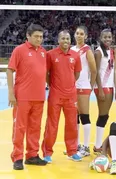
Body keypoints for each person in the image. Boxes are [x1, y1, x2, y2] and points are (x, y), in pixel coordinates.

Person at [7, 24, 48, 170]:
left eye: (41, 37)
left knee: (35, 127)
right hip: (22, 97)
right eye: (36, 36)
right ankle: (17, 157)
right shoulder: (19, 50)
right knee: (20, 127)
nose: (39, 39)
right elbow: (10, 71)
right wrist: (11, 93)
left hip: (39, 97)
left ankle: (32, 155)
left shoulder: (44, 52)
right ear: (28, 36)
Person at [41, 30, 82, 163]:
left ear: (71, 41)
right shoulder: (50, 55)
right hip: (55, 95)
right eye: (63, 38)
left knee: (71, 124)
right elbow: (46, 73)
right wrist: (53, 85)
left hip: (71, 95)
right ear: (58, 40)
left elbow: (76, 74)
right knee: (52, 124)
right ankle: (47, 152)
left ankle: (72, 151)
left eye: (68, 39)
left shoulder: (75, 55)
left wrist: (69, 85)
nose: (66, 41)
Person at [71, 26, 97, 157]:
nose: (79, 35)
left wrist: (90, 86)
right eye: (77, 33)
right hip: (72, 87)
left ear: (86, 36)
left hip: (83, 87)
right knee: (74, 117)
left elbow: (94, 70)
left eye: (82, 34)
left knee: (84, 116)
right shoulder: (71, 50)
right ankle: (76, 145)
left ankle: (86, 147)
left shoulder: (87, 50)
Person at [93, 29, 114, 154]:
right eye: (105, 37)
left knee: (105, 115)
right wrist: (100, 89)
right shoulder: (98, 52)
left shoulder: (110, 51)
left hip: (110, 86)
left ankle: (98, 144)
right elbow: (96, 72)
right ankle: (97, 145)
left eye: (109, 37)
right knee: (103, 115)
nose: (107, 39)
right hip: (103, 87)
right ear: (100, 38)